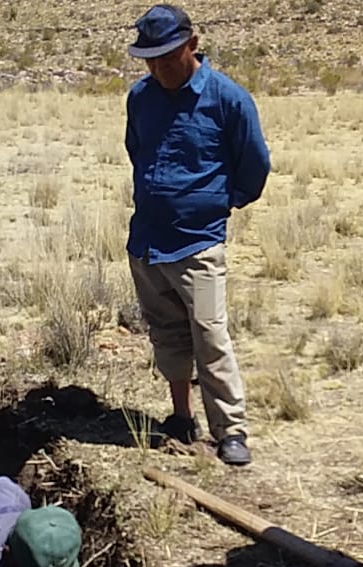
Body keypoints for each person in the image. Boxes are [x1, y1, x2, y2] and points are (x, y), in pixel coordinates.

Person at [123, 3, 272, 466]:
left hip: (198, 240)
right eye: (150, 58)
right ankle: (180, 417)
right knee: (167, 333)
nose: (159, 67)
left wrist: (217, 203)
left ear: (193, 44)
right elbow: (137, 151)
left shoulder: (228, 99)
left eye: (167, 56)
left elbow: (255, 166)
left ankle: (230, 431)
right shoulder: (140, 97)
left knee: (209, 335)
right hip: (148, 238)